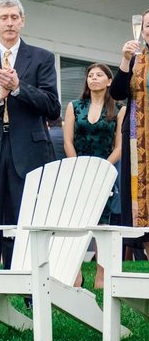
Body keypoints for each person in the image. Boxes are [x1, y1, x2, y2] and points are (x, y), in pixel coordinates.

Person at [0, 0, 60, 270]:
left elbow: (53, 107)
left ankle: (30, 288)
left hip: (27, 150)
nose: (9, 22)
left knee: (27, 222)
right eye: (4, 17)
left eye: (14, 17)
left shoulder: (42, 58)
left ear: (23, 21)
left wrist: (18, 88)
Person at [64, 62, 123, 287]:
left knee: (103, 225)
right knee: (75, 223)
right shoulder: (74, 106)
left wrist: (102, 170)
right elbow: (68, 141)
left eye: (99, 75)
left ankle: (101, 275)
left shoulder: (119, 109)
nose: (94, 78)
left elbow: (119, 146)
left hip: (105, 172)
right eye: (90, 75)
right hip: (77, 171)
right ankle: (76, 273)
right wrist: (78, 167)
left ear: (109, 81)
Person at [113, 11, 149, 263]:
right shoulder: (137, 59)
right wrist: (125, 61)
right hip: (139, 142)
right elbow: (116, 93)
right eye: (148, 25)